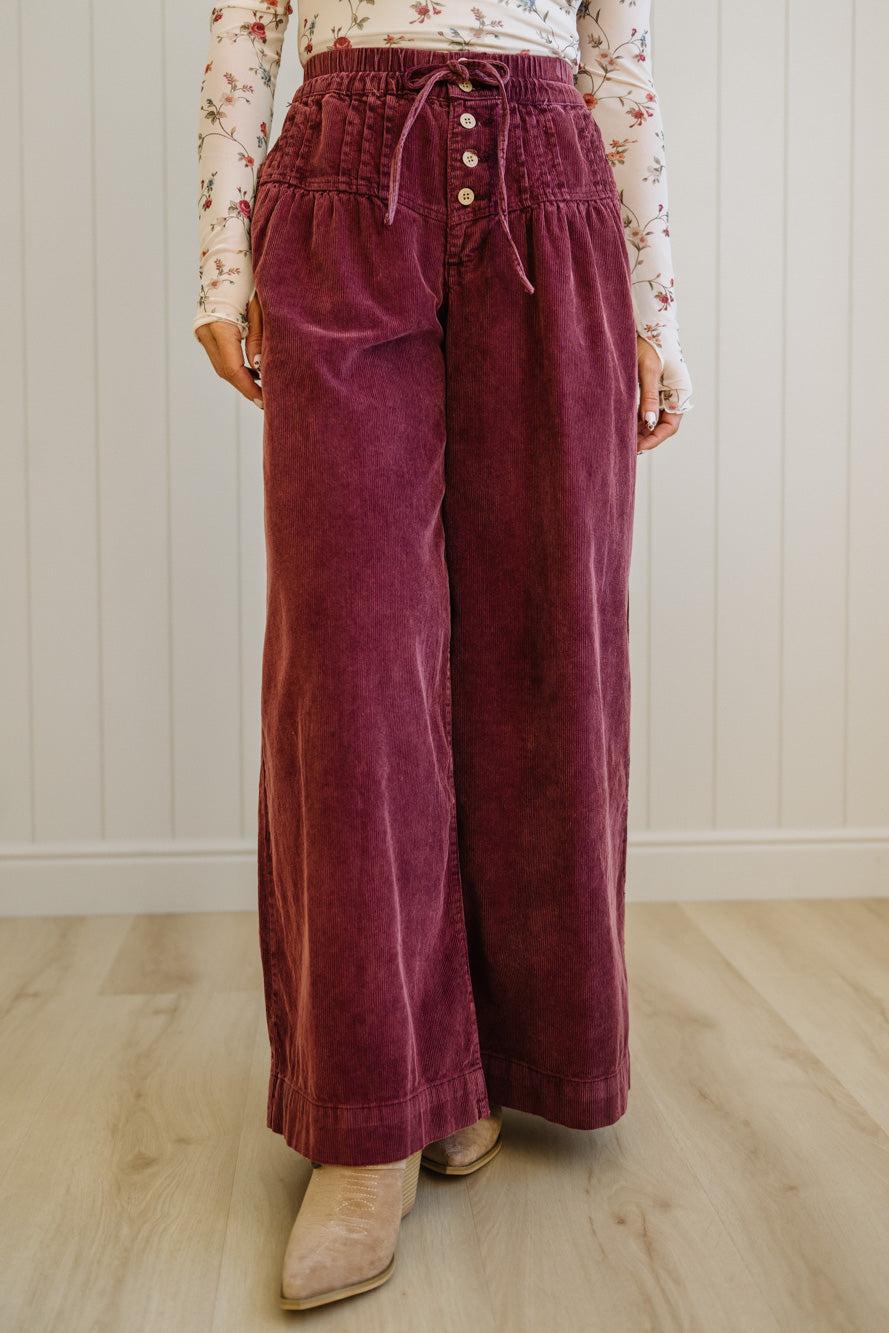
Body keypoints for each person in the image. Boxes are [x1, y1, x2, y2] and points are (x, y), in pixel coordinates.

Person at [194, 0, 692, 1311]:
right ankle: (371, 1120)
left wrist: (656, 310)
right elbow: (243, 24)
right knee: (350, 662)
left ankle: (481, 1063)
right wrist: (215, 262)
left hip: (548, 183)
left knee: (544, 645)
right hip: (345, 187)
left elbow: (617, 60)